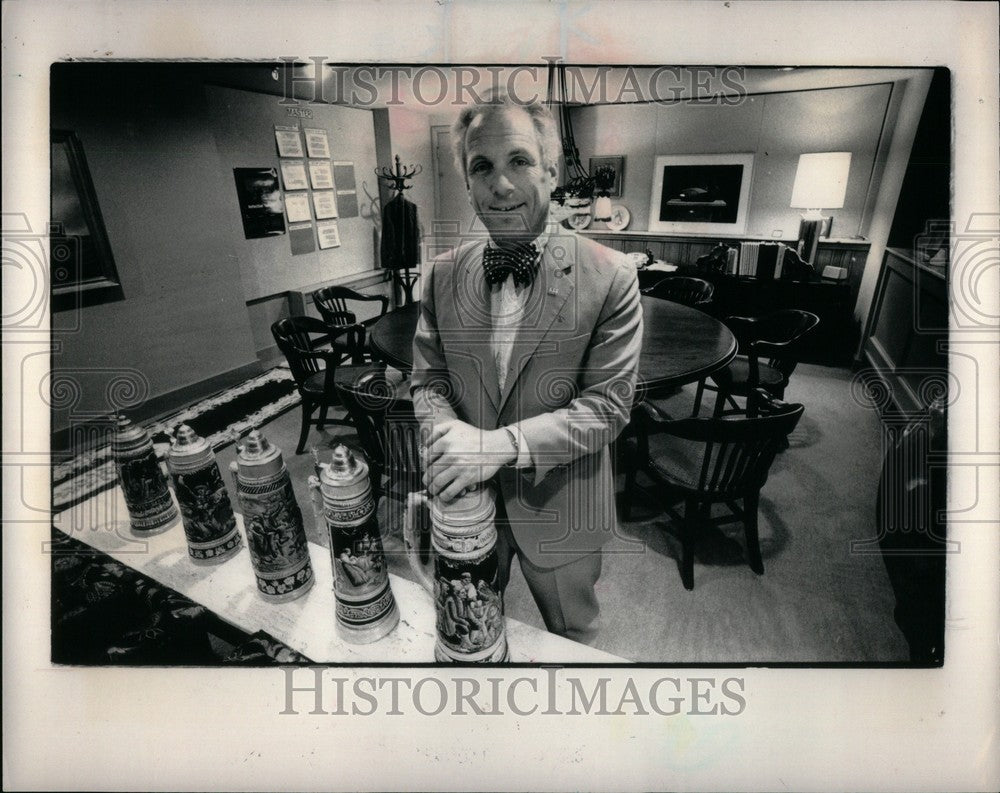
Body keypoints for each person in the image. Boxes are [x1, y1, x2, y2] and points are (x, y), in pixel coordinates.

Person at [410, 93, 643, 645]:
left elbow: (607, 408)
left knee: (572, 639)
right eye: (482, 168)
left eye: (519, 161)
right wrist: (450, 443)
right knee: (471, 631)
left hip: (562, 506)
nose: (502, 185)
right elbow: (429, 382)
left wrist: (497, 446)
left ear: (551, 169)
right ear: (467, 183)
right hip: (466, 503)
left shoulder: (611, 276)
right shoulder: (441, 275)